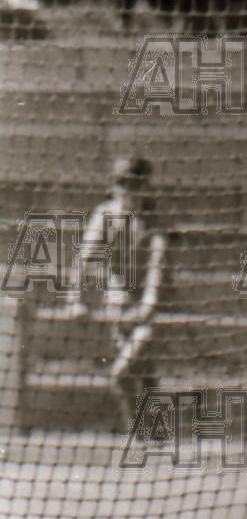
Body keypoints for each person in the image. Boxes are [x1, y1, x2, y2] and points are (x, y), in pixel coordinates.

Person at [69, 155, 167, 429]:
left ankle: (143, 436)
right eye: (122, 183)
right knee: (141, 373)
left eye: (134, 184)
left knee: (124, 373)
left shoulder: (154, 217)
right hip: (119, 305)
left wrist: (150, 301)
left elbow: (158, 261)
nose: (127, 191)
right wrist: (74, 299)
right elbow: (84, 258)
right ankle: (149, 436)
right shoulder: (105, 215)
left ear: (145, 186)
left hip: (151, 309)